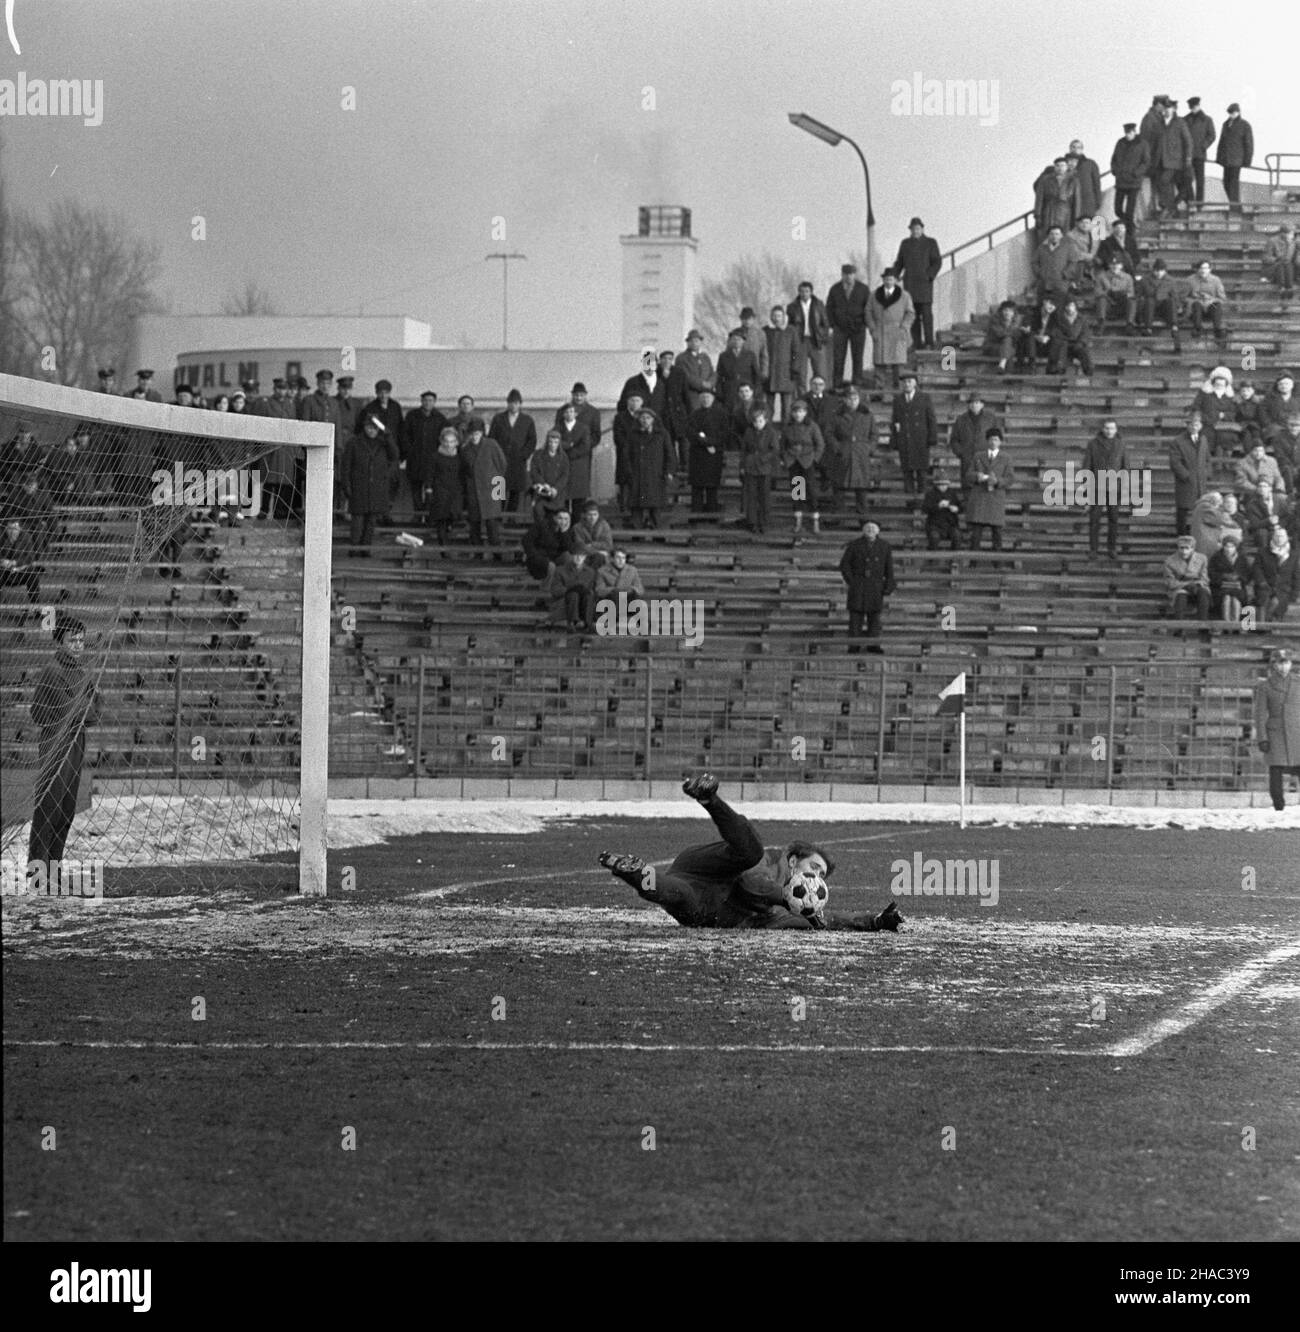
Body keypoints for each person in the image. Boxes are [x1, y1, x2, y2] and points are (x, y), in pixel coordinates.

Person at [597, 774, 903, 931]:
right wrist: (784, 895)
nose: (816, 879)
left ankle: (635, 873)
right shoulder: (774, 865)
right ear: (794, 860)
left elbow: (831, 919)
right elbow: (749, 884)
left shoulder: (799, 905)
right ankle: (709, 799)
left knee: (670, 891)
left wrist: (874, 922)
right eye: (815, 868)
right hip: (710, 869)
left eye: (821, 877)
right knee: (750, 849)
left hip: (706, 907)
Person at [27, 614, 100, 873]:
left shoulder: (81, 673)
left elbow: (95, 712)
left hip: (76, 744)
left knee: (66, 811)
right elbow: (72, 711)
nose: (78, 645)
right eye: (72, 640)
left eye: (81, 640)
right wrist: (83, 708)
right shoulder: (52, 671)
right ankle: (37, 872)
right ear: (60, 642)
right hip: (55, 744)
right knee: (49, 808)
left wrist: (83, 708)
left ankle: (53, 869)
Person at [340, 416, 398, 553]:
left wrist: (388, 436)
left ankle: (366, 548)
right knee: (357, 522)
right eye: (369, 427)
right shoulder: (354, 443)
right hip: (358, 487)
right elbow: (346, 466)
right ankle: (354, 548)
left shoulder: (383, 443)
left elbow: (395, 455)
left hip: (377, 488)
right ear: (364, 427)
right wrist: (346, 485)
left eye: (375, 428)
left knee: (371, 521)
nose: (372, 431)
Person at [1253, 649, 1300, 810]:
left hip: (1297, 732)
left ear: (1291, 664)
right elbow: (1259, 714)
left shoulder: (1298, 682)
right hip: (1276, 734)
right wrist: (1262, 738)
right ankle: (1278, 806)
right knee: (1276, 771)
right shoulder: (1265, 686)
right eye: (1280, 663)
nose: (1283, 667)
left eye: (1286, 663)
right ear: (1273, 665)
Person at [839, 519, 896, 649]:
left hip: (876, 586)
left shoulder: (885, 546)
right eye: (868, 527)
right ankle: (854, 646)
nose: (870, 530)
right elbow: (845, 565)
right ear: (863, 530)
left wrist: (889, 584)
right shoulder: (854, 545)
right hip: (858, 586)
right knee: (855, 618)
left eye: (873, 528)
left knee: (874, 618)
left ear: (878, 531)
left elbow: (889, 568)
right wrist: (852, 581)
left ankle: (873, 645)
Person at [1082, 418, 1129, 559]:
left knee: (1113, 519)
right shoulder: (1093, 444)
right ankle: (1093, 549)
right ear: (1103, 429)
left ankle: (1112, 548)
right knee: (1094, 520)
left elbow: (1125, 466)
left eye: (1112, 428)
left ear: (1116, 429)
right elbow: (1086, 467)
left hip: (1115, 488)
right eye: (1107, 428)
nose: (1109, 431)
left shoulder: (1121, 444)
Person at [894, 217, 942, 350]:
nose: (916, 231)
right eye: (913, 229)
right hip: (910, 285)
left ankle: (929, 342)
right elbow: (899, 262)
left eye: (918, 228)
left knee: (927, 315)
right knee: (912, 315)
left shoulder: (931, 243)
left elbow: (937, 261)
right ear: (910, 230)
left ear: (922, 229)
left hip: (924, 285)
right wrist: (895, 274)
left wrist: (929, 275)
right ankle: (917, 342)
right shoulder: (905, 244)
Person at [780, 398, 825, 538]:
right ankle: (798, 520)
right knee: (797, 491)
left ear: (805, 412)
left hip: (807, 461)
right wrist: (786, 458)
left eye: (801, 411)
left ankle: (815, 520)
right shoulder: (787, 426)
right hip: (794, 462)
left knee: (811, 490)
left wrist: (814, 459)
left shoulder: (812, 426)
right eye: (795, 412)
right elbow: (782, 445)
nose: (798, 414)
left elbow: (820, 445)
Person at [964, 427, 1014, 551]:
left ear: (1000, 442)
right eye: (991, 439)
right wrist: (977, 476)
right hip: (980, 498)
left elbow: (1010, 478)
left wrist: (998, 481)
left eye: (996, 440)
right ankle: (973, 563)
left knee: (997, 535)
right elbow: (968, 475)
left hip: (996, 499)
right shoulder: (978, 456)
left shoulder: (1006, 458)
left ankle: (998, 563)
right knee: (976, 535)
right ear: (987, 441)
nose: (993, 442)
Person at [460, 418, 508, 547]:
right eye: (472, 434)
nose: (475, 436)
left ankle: (497, 555)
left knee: (492, 526)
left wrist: (499, 494)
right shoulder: (465, 449)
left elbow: (502, 466)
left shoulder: (492, 444)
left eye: (477, 433)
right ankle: (478, 554)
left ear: (482, 433)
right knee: (474, 525)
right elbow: (464, 472)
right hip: (473, 492)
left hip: (491, 491)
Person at [865, 267, 915, 388]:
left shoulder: (904, 295)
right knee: (879, 364)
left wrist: (904, 327)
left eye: (891, 279)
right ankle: (879, 390)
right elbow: (868, 312)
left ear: (896, 280)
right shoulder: (874, 295)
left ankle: (899, 389)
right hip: (880, 331)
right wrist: (872, 329)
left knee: (898, 364)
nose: (888, 282)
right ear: (883, 280)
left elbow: (910, 313)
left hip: (898, 332)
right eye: (886, 279)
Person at [891, 369, 937, 498]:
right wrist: (895, 440)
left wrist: (932, 438)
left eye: (909, 381)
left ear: (915, 383)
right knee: (907, 473)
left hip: (920, 441)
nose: (907, 384)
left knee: (922, 473)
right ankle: (910, 503)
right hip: (905, 440)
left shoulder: (924, 398)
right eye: (904, 382)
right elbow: (894, 421)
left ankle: (922, 502)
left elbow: (931, 419)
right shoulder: (898, 400)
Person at [625, 407, 672, 529]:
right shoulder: (632, 435)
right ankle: (637, 535)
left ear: (653, 419)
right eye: (642, 418)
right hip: (637, 475)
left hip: (655, 475)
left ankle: (658, 535)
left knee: (655, 507)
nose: (645, 420)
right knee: (636, 507)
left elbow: (669, 454)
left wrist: (669, 471)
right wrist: (629, 471)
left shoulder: (662, 434)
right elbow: (626, 455)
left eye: (648, 418)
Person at [405, 391, 450, 518]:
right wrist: (409, 451)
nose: (428, 403)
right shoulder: (412, 416)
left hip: (433, 461)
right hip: (415, 460)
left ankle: (429, 515)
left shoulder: (440, 418)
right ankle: (418, 516)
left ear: (434, 402)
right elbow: (404, 435)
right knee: (415, 490)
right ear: (421, 401)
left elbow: (445, 437)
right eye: (425, 400)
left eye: (431, 400)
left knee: (431, 489)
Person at [685, 385, 727, 515]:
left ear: (713, 398)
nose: (705, 400)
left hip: (713, 457)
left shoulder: (721, 415)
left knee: (712, 488)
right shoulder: (694, 414)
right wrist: (706, 444)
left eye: (708, 397)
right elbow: (690, 433)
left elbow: (723, 434)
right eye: (702, 397)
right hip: (697, 456)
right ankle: (696, 515)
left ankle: (711, 516)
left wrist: (710, 443)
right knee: (697, 488)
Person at [826, 263, 870, 389]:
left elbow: (868, 307)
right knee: (838, 357)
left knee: (857, 356)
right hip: (840, 328)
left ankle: (857, 382)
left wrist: (864, 323)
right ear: (842, 275)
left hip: (858, 328)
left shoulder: (863, 289)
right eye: (846, 274)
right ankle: (837, 383)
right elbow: (829, 307)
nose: (848, 277)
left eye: (851, 274)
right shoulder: (835, 289)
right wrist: (833, 324)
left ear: (854, 275)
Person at [948, 391, 1000, 496]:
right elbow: (954, 440)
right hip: (967, 458)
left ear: (982, 404)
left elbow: (997, 437)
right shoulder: (961, 420)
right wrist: (961, 453)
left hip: (985, 458)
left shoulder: (991, 419)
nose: (974, 405)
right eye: (972, 402)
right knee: (968, 485)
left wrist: (992, 453)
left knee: (985, 486)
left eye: (977, 402)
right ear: (968, 405)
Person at [836, 386, 877, 517]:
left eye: (855, 398)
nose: (852, 401)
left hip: (861, 455)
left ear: (859, 399)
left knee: (861, 489)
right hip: (844, 454)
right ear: (844, 400)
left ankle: (863, 517)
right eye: (849, 398)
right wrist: (838, 448)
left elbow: (874, 434)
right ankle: (837, 517)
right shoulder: (837, 414)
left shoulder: (867, 415)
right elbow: (829, 434)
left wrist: (869, 449)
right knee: (839, 487)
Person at [739, 402, 779, 535]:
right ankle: (752, 522)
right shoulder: (749, 432)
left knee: (764, 497)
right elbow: (744, 450)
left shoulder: (771, 432)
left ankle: (764, 522)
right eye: (755, 421)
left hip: (766, 468)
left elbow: (775, 450)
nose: (758, 424)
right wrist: (743, 465)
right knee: (751, 496)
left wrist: (762, 459)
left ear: (766, 420)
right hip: (751, 468)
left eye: (760, 421)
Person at [1169, 414, 1211, 535]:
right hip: (1185, 483)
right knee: (1183, 511)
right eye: (1191, 424)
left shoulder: (1203, 439)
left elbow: (1207, 458)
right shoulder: (1178, 441)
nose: (1194, 427)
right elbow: (1175, 462)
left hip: (1200, 482)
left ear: (1201, 426)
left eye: (1196, 424)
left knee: (1200, 509)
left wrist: (1206, 473)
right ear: (1187, 425)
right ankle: (1181, 536)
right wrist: (1186, 476)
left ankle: (1198, 535)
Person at [1152, 99, 1193, 218]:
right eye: (1165, 109)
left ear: (1173, 109)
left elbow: (1188, 141)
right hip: (1161, 161)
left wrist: (1188, 158)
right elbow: (1156, 142)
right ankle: (1172, 209)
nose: (1166, 111)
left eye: (1169, 108)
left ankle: (1171, 208)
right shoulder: (1159, 124)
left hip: (1175, 161)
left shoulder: (1180, 123)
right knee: (1165, 185)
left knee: (1165, 181)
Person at [787, 279, 831, 389]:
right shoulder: (792, 307)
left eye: (807, 291)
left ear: (811, 292)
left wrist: (823, 337)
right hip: (800, 341)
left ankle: (820, 397)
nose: (804, 293)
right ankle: (802, 400)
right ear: (799, 292)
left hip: (816, 341)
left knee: (820, 372)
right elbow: (790, 326)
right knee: (801, 373)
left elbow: (825, 323)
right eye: (802, 291)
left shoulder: (819, 304)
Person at [425, 426, 466, 545]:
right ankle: (443, 549)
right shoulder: (435, 456)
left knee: (452, 517)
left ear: (457, 442)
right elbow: (430, 474)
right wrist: (429, 489)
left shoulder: (460, 457)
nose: (449, 445)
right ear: (442, 441)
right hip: (440, 492)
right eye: (446, 441)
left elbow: (464, 472)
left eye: (452, 441)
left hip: (455, 493)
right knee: (441, 521)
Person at [763, 305, 800, 422]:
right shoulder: (765, 331)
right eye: (774, 315)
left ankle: (786, 431)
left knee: (787, 407)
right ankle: (768, 429)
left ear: (783, 317)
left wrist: (794, 369)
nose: (776, 318)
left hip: (786, 373)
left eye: (779, 316)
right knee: (768, 406)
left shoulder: (791, 330)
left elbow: (796, 352)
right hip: (770, 373)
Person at [1110, 122, 1150, 230]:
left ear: (1134, 132)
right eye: (1126, 133)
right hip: (1121, 180)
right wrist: (1115, 171)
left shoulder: (1142, 143)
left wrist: (1136, 173)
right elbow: (1114, 159)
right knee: (1117, 209)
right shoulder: (1120, 143)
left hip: (1133, 182)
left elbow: (1146, 162)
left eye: (1130, 133)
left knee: (1130, 210)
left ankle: (1129, 230)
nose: (1128, 135)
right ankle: (1129, 224)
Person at [1254, 528, 1300, 622]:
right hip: (1265, 586)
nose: (1279, 539)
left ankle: (1265, 625)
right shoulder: (1263, 552)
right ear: (1273, 537)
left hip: (1283, 589)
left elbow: (1296, 576)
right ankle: (1263, 626)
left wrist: (1295, 593)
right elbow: (1257, 570)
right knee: (1263, 601)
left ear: (1287, 538)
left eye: (1282, 536)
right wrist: (1262, 583)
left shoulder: (1293, 555)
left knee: (1276, 602)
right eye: (1277, 536)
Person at [1136, 259, 1182, 352]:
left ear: (1165, 271)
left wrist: (1179, 307)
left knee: (1171, 301)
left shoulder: (1170, 280)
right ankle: (1148, 328)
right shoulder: (1145, 280)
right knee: (1149, 300)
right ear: (1153, 270)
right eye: (1157, 270)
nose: (1159, 273)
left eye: (1161, 270)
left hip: (1164, 308)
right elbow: (1138, 295)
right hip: (1149, 307)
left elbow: (1175, 296)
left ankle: (1174, 327)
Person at [522, 506, 575, 583]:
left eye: (566, 519)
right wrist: (534, 555)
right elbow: (526, 541)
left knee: (568, 557)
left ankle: (566, 584)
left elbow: (569, 549)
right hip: (538, 559)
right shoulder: (542, 525)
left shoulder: (566, 530)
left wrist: (564, 533)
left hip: (554, 558)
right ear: (554, 518)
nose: (563, 522)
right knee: (551, 566)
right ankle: (546, 588)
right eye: (560, 518)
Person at [1208, 533, 1253, 623]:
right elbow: (1211, 574)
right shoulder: (1216, 558)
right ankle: (1226, 624)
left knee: (1236, 600)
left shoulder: (1242, 558)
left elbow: (1248, 575)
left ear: (1236, 547)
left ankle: (1235, 625)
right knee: (1226, 599)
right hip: (1220, 587)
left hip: (1238, 587)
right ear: (1223, 546)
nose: (1229, 549)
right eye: (1226, 546)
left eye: (1231, 547)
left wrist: (1238, 577)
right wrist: (1224, 577)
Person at [556, 401, 593, 512]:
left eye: (571, 411)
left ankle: (577, 524)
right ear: (563, 414)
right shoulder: (558, 428)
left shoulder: (584, 428)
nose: (569, 414)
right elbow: (555, 442)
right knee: (563, 498)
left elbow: (585, 446)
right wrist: (569, 445)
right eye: (566, 412)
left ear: (576, 414)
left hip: (579, 465)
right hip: (562, 465)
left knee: (579, 499)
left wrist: (570, 452)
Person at [1163, 533, 1210, 618]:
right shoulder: (1170, 561)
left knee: (1203, 593)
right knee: (1181, 596)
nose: (1184, 551)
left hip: (1197, 586)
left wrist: (1198, 584)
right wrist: (1186, 585)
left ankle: (1203, 625)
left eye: (1187, 548)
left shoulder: (1202, 559)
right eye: (1181, 548)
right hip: (1179, 587)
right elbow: (1170, 581)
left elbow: (1205, 578)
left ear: (1192, 548)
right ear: (1178, 548)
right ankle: (1179, 627)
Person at [1216, 103, 1253, 210]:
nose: (1232, 114)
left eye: (1233, 112)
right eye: (1230, 113)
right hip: (1226, 160)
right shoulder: (1225, 124)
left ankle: (1235, 207)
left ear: (1238, 112)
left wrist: (1247, 160)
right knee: (1226, 182)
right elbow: (1221, 142)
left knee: (1233, 184)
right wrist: (1219, 157)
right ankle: (1235, 205)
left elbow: (1249, 144)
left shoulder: (1245, 125)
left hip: (1237, 160)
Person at [1185, 259, 1229, 349]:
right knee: (1196, 305)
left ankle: (1218, 332)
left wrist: (1211, 299)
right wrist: (1194, 300)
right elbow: (1183, 297)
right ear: (1197, 269)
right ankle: (1197, 329)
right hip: (1196, 307)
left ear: (1210, 269)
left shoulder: (1216, 280)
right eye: (1201, 268)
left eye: (1205, 268)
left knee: (1216, 305)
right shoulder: (1190, 280)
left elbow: (1223, 298)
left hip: (1211, 306)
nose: (1203, 270)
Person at [715, 329, 760, 412]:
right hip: (729, 391)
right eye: (734, 339)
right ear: (730, 341)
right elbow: (719, 376)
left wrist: (755, 391)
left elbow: (756, 375)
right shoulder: (723, 356)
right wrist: (719, 392)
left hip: (745, 391)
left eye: (739, 339)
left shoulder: (750, 355)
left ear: (743, 341)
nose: (736, 341)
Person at [528, 429, 571, 517]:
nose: (552, 445)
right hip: (541, 493)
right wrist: (543, 484)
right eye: (550, 442)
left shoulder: (564, 457)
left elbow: (565, 475)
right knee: (539, 512)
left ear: (559, 443)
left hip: (557, 494)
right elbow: (534, 471)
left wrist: (556, 488)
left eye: (555, 442)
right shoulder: (538, 455)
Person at [552, 550, 597, 631]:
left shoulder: (590, 572)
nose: (579, 558)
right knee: (573, 594)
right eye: (576, 555)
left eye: (582, 556)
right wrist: (570, 589)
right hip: (566, 603)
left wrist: (585, 591)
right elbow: (555, 590)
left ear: (585, 557)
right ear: (571, 556)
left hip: (584, 603)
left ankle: (588, 623)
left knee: (588, 595)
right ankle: (571, 622)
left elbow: (593, 589)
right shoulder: (560, 570)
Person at [1183, 97, 1216, 208]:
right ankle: (1191, 201)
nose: (1193, 109)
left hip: (1199, 154)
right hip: (1188, 155)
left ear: (1198, 105)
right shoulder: (1185, 119)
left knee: (1200, 180)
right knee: (1187, 179)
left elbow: (1212, 135)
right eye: (1191, 107)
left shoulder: (1207, 120)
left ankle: (1199, 204)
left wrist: (1203, 146)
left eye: (1195, 106)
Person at [0, 517, 41, 603]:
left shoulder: (26, 537)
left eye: (14, 529)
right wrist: (3, 562)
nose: (12, 532)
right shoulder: (1, 537)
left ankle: (36, 607)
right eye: (9, 529)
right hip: (4, 571)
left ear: (19, 529)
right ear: (6, 528)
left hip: (20, 570)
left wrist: (15, 563)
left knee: (32, 573)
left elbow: (30, 558)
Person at [1048, 298, 1093, 377]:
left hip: (1077, 343)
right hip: (1064, 343)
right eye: (1067, 305)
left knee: (1084, 351)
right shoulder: (1059, 318)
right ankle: (1060, 371)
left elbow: (1086, 333)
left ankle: (1089, 371)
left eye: (1072, 305)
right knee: (1061, 348)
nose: (1069, 307)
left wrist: (1081, 342)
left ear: (1075, 306)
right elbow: (1055, 332)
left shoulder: (1082, 318)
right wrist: (1063, 339)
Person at [618, 349, 668, 419]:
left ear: (657, 364)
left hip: (657, 424)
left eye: (652, 363)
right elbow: (622, 405)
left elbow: (664, 406)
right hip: (636, 424)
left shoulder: (661, 383)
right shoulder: (632, 382)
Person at [1032, 225, 1075, 305]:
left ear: (1061, 235)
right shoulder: (1041, 248)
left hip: (1060, 282)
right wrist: (1039, 273)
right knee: (1043, 305)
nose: (1054, 236)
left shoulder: (1067, 247)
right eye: (1052, 234)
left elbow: (1072, 262)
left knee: (1059, 305)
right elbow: (1034, 262)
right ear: (1048, 235)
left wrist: (1065, 273)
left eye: (1057, 234)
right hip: (1044, 282)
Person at [1034, 158, 1078, 235]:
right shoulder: (1045, 180)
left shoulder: (1073, 180)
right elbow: (1039, 199)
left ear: (1067, 167)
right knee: (1048, 235)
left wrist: (1076, 218)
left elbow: (1077, 200)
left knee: (1065, 236)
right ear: (1054, 167)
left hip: (1065, 212)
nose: (1060, 168)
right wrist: (1037, 216)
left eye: (1062, 165)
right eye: (1057, 166)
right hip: (1049, 211)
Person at [1094, 256, 1138, 334]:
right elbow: (1097, 292)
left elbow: (1131, 293)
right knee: (1101, 299)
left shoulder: (1127, 277)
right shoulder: (1101, 276)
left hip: (1122, 305)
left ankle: (1129, 325)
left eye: (1118, 264)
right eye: (1112, 264)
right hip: (1108, 305)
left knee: (1132, 301)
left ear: (1121, 266)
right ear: (1109, 265)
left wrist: (1122, 293)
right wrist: (1108, 292)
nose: (1115, 266)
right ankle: (1101, 324)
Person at [922, 472, 963, 550]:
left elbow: (960, 507)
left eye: (945, 485)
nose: (943, 487)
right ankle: (932, 558)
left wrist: (956, 509)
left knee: (957, 536)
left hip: (951, 524)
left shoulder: (952, 493)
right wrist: (938, 506)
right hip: (934, 525)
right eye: (941, 485)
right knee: (934, 537)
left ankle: (954, 560)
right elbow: (925, 509)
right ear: (937, 485)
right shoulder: (930, 494)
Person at [984, 300, 1026, 374]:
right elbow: (1000, 334)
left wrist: (1015, 331)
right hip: (993, 346)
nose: (1008, 313)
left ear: (1014, 312)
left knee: (1009, 346)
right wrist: (1013, 332)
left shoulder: (1018, 320)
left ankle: (1002, 366)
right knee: (1008, 341)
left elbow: (1018, 335)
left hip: (1009, 348)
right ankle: (1007, 372)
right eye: (1005, 310)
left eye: (1010, 311)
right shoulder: (995, 320)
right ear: (1001, 311)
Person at [1066, 139, 1103, 219]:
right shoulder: (1064, 164)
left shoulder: (1090, 163)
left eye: (1078, 147)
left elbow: (1097, 183)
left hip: (1087, 200)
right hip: (1070, 201)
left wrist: (1098, 200)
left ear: (1082, 149)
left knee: (1088, 223)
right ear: (1070, 148)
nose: (1075, 149)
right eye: (1073, 147)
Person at [571, 500, 614, 566]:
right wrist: (597, 552)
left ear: (598, 514)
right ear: (584, 515)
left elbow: (609, 545)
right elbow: (580, 546)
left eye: (595, 514)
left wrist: (592, 545)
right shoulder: (577, 527)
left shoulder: (604, 525)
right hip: (583, 556)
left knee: (599, 558)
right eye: (589, 515)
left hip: (601, 557)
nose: (593, 518)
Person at [1263, 223, 1297, 298]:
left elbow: (1294, 259)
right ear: (1283, 234)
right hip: (1274, 270)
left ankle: (1288, 288)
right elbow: (1265, 258)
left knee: (1288, 265)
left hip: (1287, 271)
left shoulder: (1293, 243)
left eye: (1293, 233)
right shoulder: (1272, 241)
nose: (1292, 235)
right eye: (1290, 233)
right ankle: (1283, 288)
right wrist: (1276, 259)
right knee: (1281, 264)